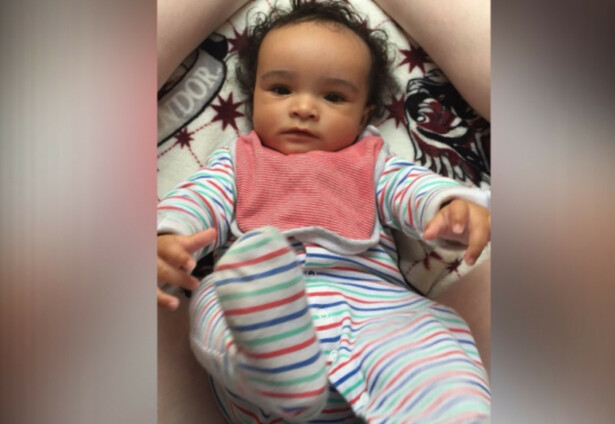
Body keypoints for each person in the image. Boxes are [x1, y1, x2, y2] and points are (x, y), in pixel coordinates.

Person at [157, 1, 491, 422]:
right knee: (214, 300)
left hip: (376, 312)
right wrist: (168, 237)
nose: (303, 108)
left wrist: (451, 208)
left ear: (363, 114)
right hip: (263, 309)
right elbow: (198, 200)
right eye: (281, 90)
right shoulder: (236, 163)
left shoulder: (372, 162)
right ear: (253, 97)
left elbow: (412, 189)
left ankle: (447, 411)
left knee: (433, 338)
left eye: (333, 96)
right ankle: (280, 367)